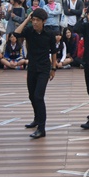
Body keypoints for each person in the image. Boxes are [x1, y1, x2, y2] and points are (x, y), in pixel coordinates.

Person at [15, 9, 58, 139]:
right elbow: (16, 34)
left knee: (39, 96)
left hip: (44, 68)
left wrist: (54, 68)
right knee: (31, 96)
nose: (35, 23)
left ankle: (41, 128)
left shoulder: (49, 34)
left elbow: (54, 52)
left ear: (44, 21)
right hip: (32, 67)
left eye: (37, 20)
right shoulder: (29, 32)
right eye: (33, 20)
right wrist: (27, 19)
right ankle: (36, 118)